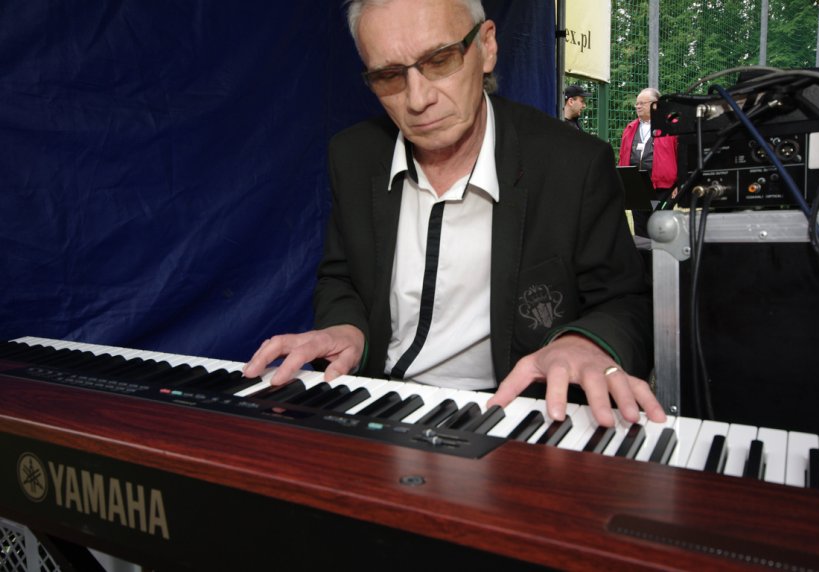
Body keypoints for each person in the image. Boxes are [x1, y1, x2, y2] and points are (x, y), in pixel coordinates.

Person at [244, 0, 665, 428]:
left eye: (440, 60)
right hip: (380, 402)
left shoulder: (573, 164)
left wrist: (583, 342)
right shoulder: (353, 156)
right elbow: (341, 277)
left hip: (518, 409)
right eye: (389, 76)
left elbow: (625, 301)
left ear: (487, 46)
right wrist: (347, 329)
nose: (418, 99)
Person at [618, 87, 679, 237]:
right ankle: (643, 251)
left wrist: (678, 182)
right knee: (640, 225)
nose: (638, 106)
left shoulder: (671, 125)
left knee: (660, 224)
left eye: (642, 103)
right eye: (637, 103)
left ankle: (660, 251)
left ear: (655, 104)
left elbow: (681, 155)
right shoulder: (630, 128)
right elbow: (623, 155)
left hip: (661, 186)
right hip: (637, 185)